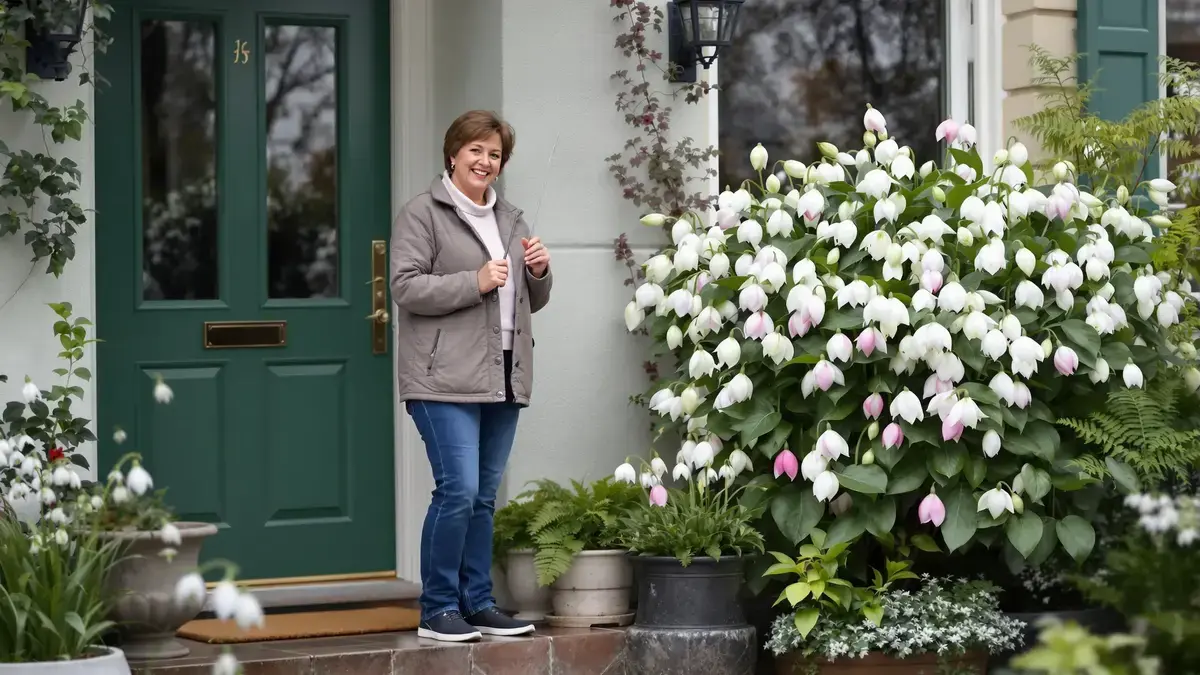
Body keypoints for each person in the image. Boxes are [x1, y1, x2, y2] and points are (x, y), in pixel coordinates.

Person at [389, 110, 553, 643]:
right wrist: (476, 281)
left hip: (503, 371)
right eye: (475, 151)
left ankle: (478, 603)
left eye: (495, 155)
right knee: (457, 490)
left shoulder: (511, 218)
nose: (485, 162)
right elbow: (406, 288)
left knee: (483, 495)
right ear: (453, 153)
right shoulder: (422, 214)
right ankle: (438, 609)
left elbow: (533, 301)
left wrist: (538, 273)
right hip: (441, 379)